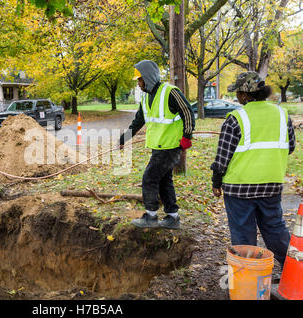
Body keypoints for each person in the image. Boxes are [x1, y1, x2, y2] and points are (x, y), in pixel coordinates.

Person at [211, 71, 296, 268]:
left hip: (239, 187)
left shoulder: (235, 118)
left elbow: (222, 158)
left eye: (238, 93)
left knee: (243, 232)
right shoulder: (282, 114)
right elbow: (289, 147)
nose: (237, 97)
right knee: (274, 228)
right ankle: (293, 270)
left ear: (244, 94)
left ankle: (249, 275)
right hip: (272, 183)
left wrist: (216, 182)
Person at [119, 60, 195, 229]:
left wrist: (187, 136)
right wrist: (125, 138)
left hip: (170, 147)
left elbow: (187, 111)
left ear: (148, 77)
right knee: (163, 180)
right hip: (158, 147)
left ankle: (151, 216)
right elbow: (139, 120)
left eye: (140, 80)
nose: (138, 84)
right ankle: (172, 217)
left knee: (149, 177)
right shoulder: (146, 98)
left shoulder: (170, 92)